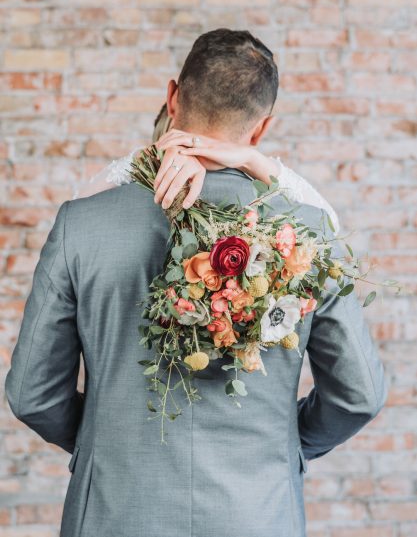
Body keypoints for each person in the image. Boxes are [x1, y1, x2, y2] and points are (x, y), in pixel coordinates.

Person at [4, 28, 387, 537]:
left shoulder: (82, 224)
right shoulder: (308, 233)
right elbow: (358, 394)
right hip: (258, 512)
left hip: (114, 512)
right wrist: (285, 448)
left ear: (172, 97)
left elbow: (32, 392)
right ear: (261, 128)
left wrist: (106, 445)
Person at [72, 101, 340, 235]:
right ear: (260, 128)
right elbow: (331, 225)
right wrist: (254, 159)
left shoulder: (88, 218)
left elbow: (74, 209)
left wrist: (147, 156)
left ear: (173, 99)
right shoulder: (300, 223)